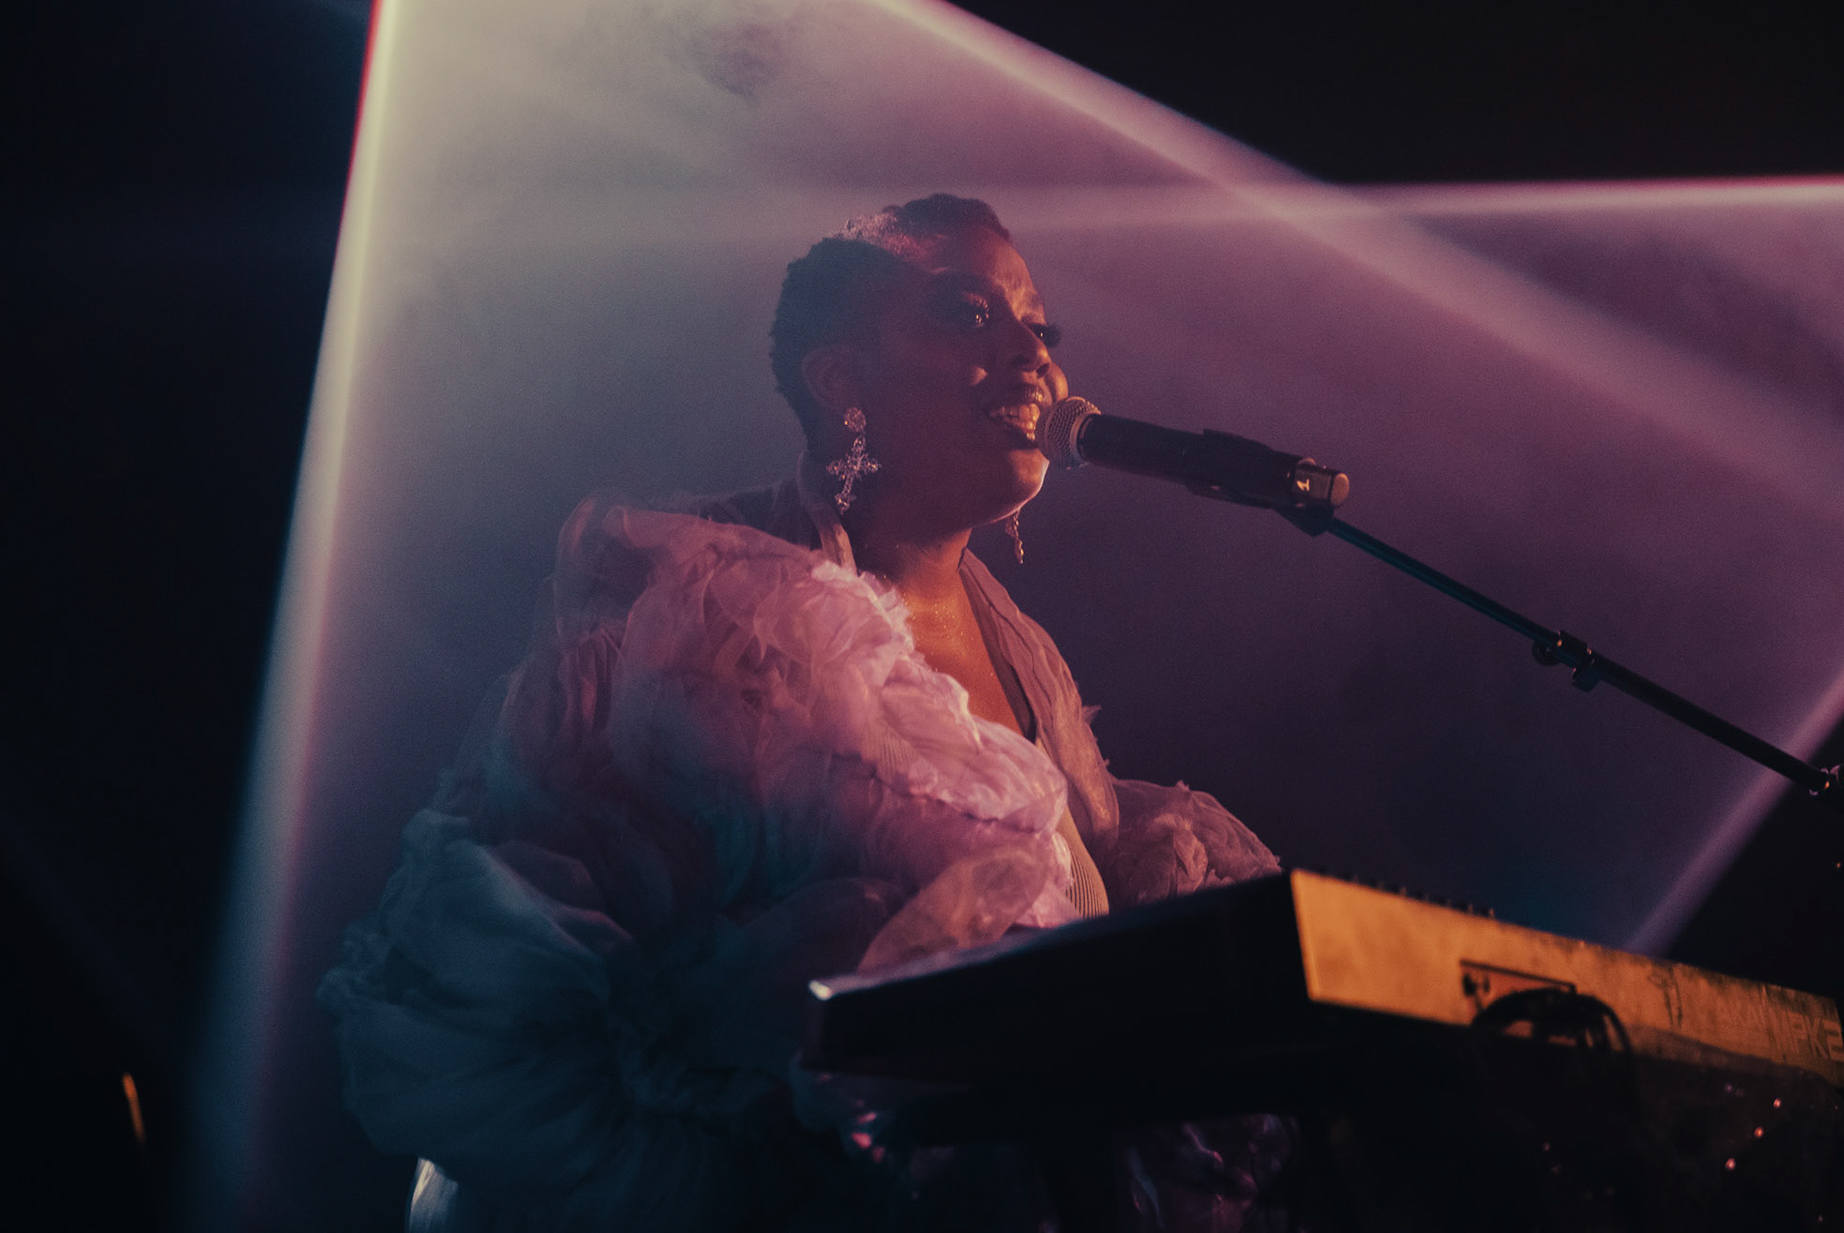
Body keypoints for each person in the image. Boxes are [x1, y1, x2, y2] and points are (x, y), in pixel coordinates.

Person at [320, 196, 1281, 1231]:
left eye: (1039, 328)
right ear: (840, 378)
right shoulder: (702, 602)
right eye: (968, 313)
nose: (1033, 356)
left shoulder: (1030, 656)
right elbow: (525, 966)